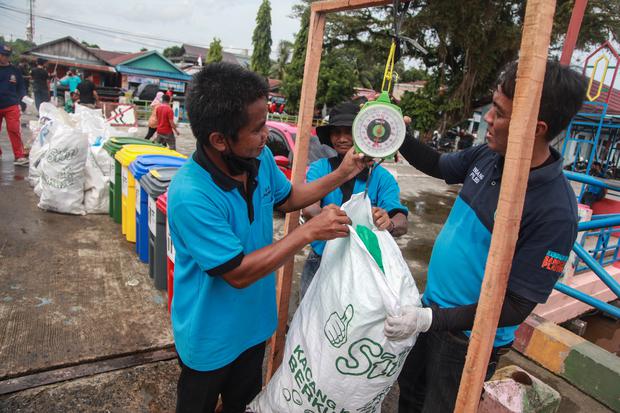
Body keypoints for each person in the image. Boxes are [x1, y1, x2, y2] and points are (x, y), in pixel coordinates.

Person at [167, 62, 369, 413]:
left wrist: (346, 170)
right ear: (219, 139)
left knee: (242, 405)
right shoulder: (191, 193)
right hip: (208, 339)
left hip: (254, 326)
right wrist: (308, 232)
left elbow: (289, 198)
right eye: (258, 128)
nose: (266, 136)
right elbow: (237, 272)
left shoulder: (258, 161)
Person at [387, 60, 587, 412]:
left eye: (499, 112)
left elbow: (516, 306)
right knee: (411, 395)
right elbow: (438, 165)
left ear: (536, 127)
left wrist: (434, 319)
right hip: (429, 311)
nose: (488, 120)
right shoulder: (489, 155)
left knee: (442, 407)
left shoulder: (555, 211)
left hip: (466, 342)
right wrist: (395, 133)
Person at [300, 101, 409, 297]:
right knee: (308, 322)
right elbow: (309, 209)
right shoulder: (319, 168)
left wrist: (389, 223)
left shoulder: (382, 178)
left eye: (348, 131)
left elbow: (401, 221)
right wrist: (325, 216)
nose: (341, 138)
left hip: (361, 267)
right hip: (321, 259)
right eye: (335, 132)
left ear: (362, 134)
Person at [0, 43, 28, 166]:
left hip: (11, 105)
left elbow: (21, 87)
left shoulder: (15, 71)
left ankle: (19, 156)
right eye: (3, 55)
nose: (5, 57)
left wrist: (23, 99)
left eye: (7, 55)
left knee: (14, 130)